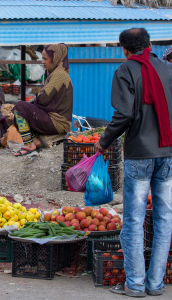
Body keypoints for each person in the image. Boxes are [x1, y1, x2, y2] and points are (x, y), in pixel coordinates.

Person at [95, 28, 172, 297]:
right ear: (150, 44)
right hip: (167, 153)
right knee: (164, 218)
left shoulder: (126, 70)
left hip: (140, 153)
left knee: (134, 221)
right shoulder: (167, 68)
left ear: (124, 49)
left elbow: (124, 113)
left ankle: (136, 283)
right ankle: (155, 284)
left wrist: (104, 141)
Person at [12, 43, 73, 156]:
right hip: (54, 120)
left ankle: (29, 144)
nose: (43, 62)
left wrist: (32, 103)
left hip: (58, 122)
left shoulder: (59, 75)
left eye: (45, 59)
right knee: (21, 111)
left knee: (20, 107)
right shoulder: (55, 74)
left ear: (55, 59)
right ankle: (35, 141)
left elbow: (43, 98)